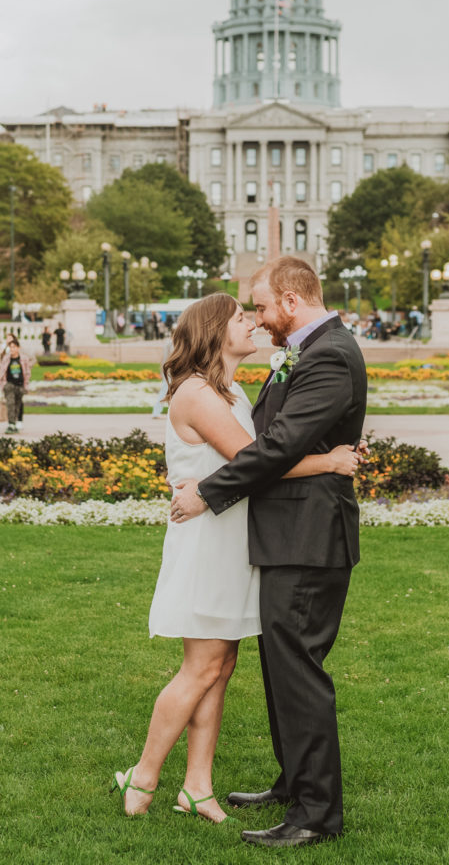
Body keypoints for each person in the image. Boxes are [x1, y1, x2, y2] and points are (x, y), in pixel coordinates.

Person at [112, 293, 361, 824]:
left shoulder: (227, 389)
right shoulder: (199, 393)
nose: (253, 322)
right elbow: (256, 461)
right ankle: (143, 773)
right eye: (242, 318)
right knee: (201, 667)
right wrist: (331, 461)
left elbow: (254, 457)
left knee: (221, 666)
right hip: (207, 541)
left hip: (231, 538)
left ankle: (197, 786)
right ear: (214, 331)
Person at [171, 256, 368, 848]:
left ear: (289, 301)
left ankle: (315, 815)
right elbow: (266, 439)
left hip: (309, 537)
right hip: (287, 533)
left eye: (260, 306)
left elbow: (277, 446)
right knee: (282, 668)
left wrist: (208, 493)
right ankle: (293, 783)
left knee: (300, 673)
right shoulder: (306, 350)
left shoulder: (331, 353)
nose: (257, 319)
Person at [1, 338, 31, 434]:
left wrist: (25, 385)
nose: (12, 349)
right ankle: (11, 424)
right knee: (10, 403)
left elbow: (27, 372)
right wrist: (3, 384)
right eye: (11, 347)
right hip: (9, 385)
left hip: (20, 385)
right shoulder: (6, 358)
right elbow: (2, 371)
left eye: (14, 347)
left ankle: (14, 424)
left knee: (17, 405)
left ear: (18, 348)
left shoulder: (24, 358)